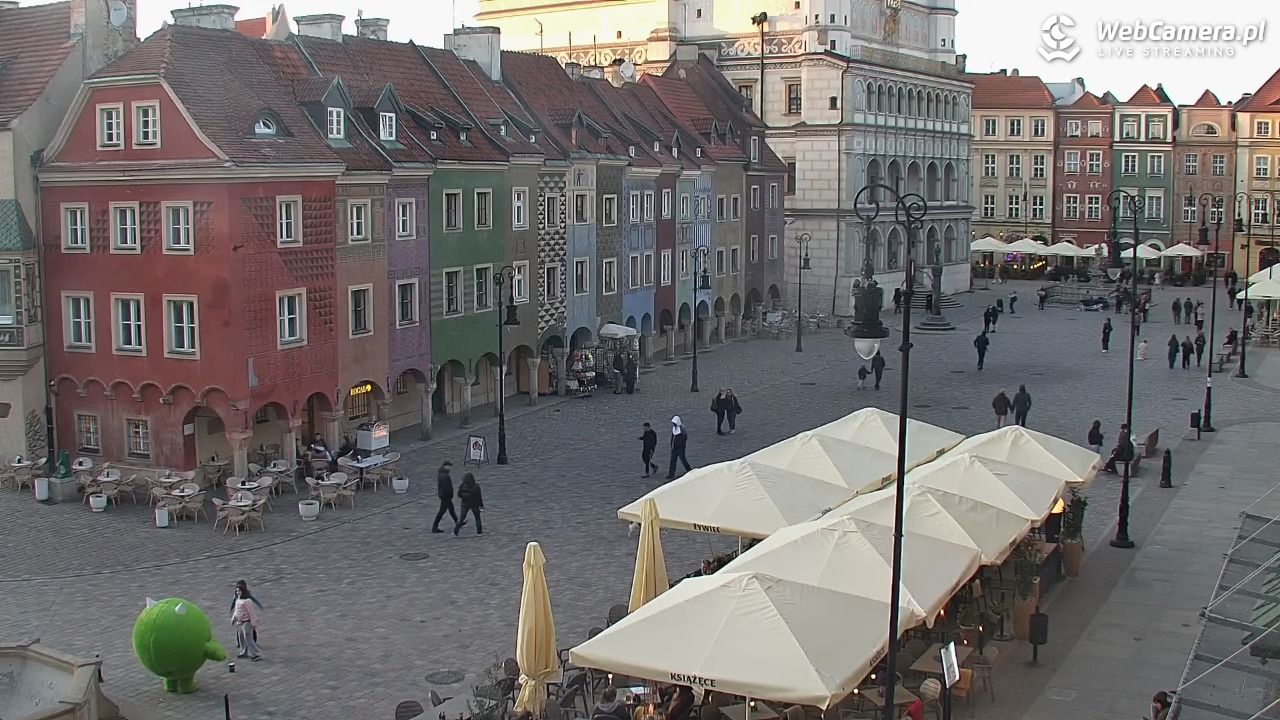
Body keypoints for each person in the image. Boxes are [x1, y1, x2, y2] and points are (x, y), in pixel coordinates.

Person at [229, 580, 263, 652]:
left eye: (239, 590)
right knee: (240, 633)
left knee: (249, 633)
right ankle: (242, 646)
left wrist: (253, 622)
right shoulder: (237, 597)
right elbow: (235, 606)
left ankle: (255, 650)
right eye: (237, 590)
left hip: (246, 620)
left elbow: (252, 612)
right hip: (240, 621)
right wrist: (233, 615)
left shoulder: (247, 600)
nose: (238, 592)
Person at [431, 461, 458, 533]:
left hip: (444, 495)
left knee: (451, 509)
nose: (450, 468)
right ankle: (434, 526)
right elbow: (447, 487)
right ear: (445, 466)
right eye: (449, 466)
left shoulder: (442, 474)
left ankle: (458, 522)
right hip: (446, 496)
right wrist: (450, 494)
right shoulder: (445, 476)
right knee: (442, 511)